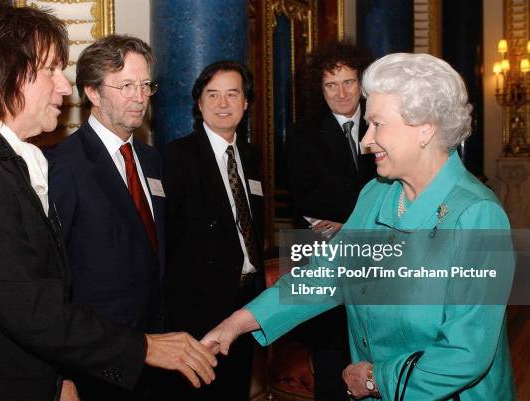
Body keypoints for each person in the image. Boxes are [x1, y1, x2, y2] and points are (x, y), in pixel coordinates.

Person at [0, 6, 215, 401]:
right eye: (51, 70)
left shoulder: (3, 162)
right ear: (3, 73)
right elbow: (31, 308)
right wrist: (144, 347)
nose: (64, 87)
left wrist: (54, 380)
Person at [202, 53, 515, 401]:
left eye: (378, 125)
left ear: (425, 127)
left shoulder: (478, 215)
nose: (366, 140)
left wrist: (375, 379)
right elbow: (327, 274)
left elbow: (466, 353)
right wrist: (237, 324)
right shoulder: (376, 194)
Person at [46, 34, 167, 401]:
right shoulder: (63, 166)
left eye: (145, 85)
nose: (140, 96)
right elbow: (53, 278)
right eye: (126, 85)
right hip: (98, 364)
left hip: (156, 353)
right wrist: (61, 375)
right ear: (93, 93)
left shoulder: (151, 160)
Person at [162, 60, 265, 401]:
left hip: (246, 301)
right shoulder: (176, 158)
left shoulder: (251, 156)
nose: (223, 104)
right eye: (213, 95)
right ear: (199, 103)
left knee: (237, 390)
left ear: (246, 102)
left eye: (232, 94)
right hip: (199, 310)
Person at [286, 41, 375, 400]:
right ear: (318, 89)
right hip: (327, 262)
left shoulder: (382, 124)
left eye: (349, 82)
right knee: (330, 360)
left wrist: (348, 220)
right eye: (330, 84)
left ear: (362, 84)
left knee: (374, 357)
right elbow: (306, 200)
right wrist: (362, 218)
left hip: (380, 263)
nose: (341, 92)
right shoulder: (302, 134)